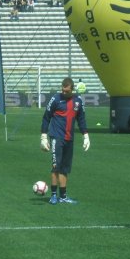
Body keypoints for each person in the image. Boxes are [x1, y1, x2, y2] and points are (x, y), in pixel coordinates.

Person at [40, 77, 90, 205]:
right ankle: (53, 195)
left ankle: (63, 196)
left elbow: (81, 119)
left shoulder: (78, 101)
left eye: (67, 91)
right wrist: (44, 136)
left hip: (69, 138)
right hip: (57, 137)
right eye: (63, 90)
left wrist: (86, 135)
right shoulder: (55, 99)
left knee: (65, 168)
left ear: (72, 89)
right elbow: (46, 118)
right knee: (56, 166)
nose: (64, 93)